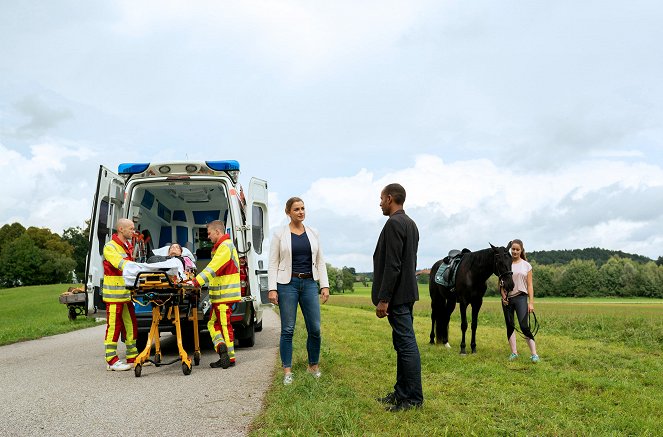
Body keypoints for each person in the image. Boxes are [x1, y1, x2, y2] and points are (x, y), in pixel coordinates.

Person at [267, 197, 330, 385]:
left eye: (303, 208)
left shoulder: (313, 233)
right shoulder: (279, 234)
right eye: (296, 209)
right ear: (288, 212)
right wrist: (272, 289)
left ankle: (313, 366)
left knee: (315, 329)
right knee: (287, 329)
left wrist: (324, 285)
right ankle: (287, 370)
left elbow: (320, 261)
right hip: (287, 284)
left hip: (310, 283)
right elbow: (273, 263)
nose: (301, 212)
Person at [373, 183, 424, 412]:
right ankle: (401, 392)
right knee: (402, 344)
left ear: (390, 198)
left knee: (406, 345)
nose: (380, 203)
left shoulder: (394, 223)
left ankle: (412, 400)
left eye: (382, 198)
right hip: (407, 293)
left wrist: (384, 299)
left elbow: (393, 265)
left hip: (397, 296)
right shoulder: (410, 223)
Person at [190, 220, 242, 368]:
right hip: (220, 295)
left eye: (209, 233)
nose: (208, 237)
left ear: (218, 232)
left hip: (224, 295)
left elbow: (213, 268)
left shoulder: (225, 246)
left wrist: (196, 282)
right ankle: (221, 347)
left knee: (224, 325)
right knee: (213, 323)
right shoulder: (221, 247)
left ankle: (229, 358)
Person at [103, 218, 138, 371]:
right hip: (114, 296)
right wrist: (138, 268)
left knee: (131, 326)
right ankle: (111, 360)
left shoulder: (126, 246)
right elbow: (120, 263)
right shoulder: (110, 247)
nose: (133, 231)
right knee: (114, 327)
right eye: (131, 228)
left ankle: (132, 357)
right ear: (121, 229)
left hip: (125, 294)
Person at [500, 238, 539, 363]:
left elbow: (530, 285)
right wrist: (503, 297)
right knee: (510, 326)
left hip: (521, 297)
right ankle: (514, 353)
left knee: (524, 326)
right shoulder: (506, 263)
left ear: (521, 250)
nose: (515, 251)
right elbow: (501, 283)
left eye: (517, 249)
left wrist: (531, 302)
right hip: (507, 299)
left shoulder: (526, 265)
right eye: (513, 249)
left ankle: (534, 354)